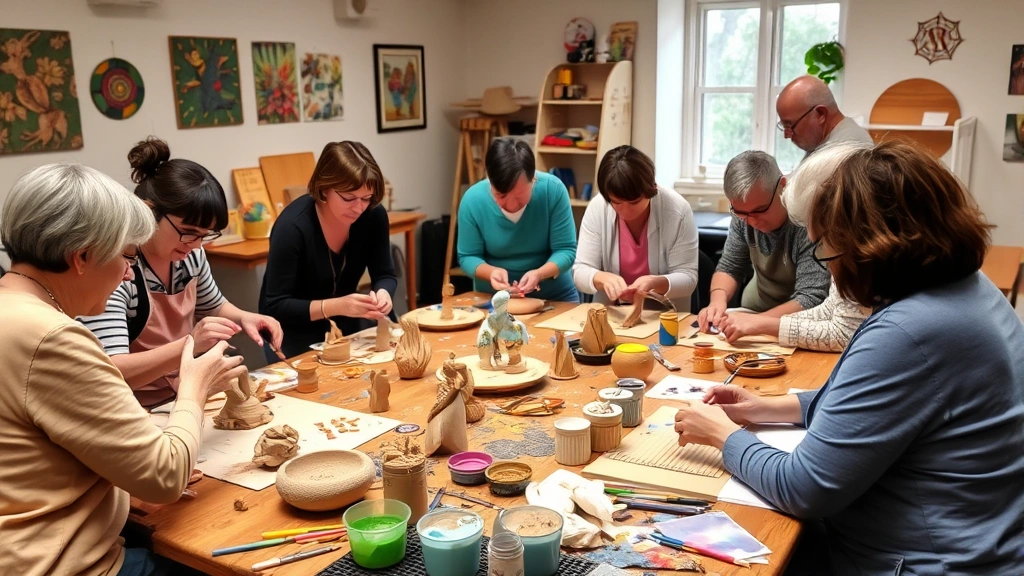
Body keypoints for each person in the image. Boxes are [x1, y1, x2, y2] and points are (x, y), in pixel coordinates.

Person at [674, 141, 1024, 576]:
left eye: (827, 251)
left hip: (924, 561)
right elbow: (874, 400)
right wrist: (768, 408)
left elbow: (803, 487)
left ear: (873, 245)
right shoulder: (968, 289)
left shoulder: (908, 332)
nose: (833, 272)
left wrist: (724, 437)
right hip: (971, 540)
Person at [0, 163, 245, 576]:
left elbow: (37, 459)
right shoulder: (53, 338)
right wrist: (194, 387)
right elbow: (165, 478)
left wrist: (115, 488)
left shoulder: (13, 311)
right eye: (127, 257)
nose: (130, 273)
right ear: (82, 257)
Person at [80, 138, 282, 408]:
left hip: (184, 395)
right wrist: (190, 344)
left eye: (205, 235)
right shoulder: (119, 269)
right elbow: (113, 369)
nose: (197, 245)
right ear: (149, 212)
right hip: (133, 408)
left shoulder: (190, 255)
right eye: (189, 233)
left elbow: (212, 305)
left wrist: (245, 317)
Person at [716, 143, 872, 351]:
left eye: (760, 210)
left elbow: (843, 332)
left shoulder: (860, 254)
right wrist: (756, 321)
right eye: (741, 214)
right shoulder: (852, 241)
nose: (810, 235)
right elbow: (831, 309)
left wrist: (761, 324)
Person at [260, 141, 396, 357]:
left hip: (346, 328)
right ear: (324, 188)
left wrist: (383, 293)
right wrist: (337, 306)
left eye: (366, 198)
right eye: (348, 198)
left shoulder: (372, 215)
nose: (359, 207)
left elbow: (385, 274)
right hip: (292, 335)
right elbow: (277, 306)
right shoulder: (292, 227)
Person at [697, 151, 829, 333]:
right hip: (752, 310)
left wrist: (755, 322)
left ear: (782, 186)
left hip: (799, 321)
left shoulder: (806, 219)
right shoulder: (743, 212)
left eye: (760, 210)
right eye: (741, 213)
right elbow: (730, 266)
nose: (751, 221)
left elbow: (811, 297)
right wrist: (717, 302)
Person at [572, 145, 698, 311]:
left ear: (651, 188)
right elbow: (580, 271)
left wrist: (656, 282)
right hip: (613, 312)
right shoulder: (598, 207)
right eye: (616, 202)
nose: (626, 211)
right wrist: (601, 278)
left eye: (634, 202)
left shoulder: (676, 210)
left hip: (664, 315)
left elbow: (688, 278)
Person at [457, 139, 578, 302]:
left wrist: (540, 274)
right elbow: (468, 256)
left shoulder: (552, 190)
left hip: (554, 297)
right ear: (490, 181)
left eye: (520, 197)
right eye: (500, 196)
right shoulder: (473, 200)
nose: (511, 205)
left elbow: (566, 250)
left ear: (533, 180)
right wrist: (490, 272)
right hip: (492, 299)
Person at [776, 75, 873, 156]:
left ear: (821, 114)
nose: (787, 136)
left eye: (790, 126)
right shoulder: (820, 141)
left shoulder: (845, 152)